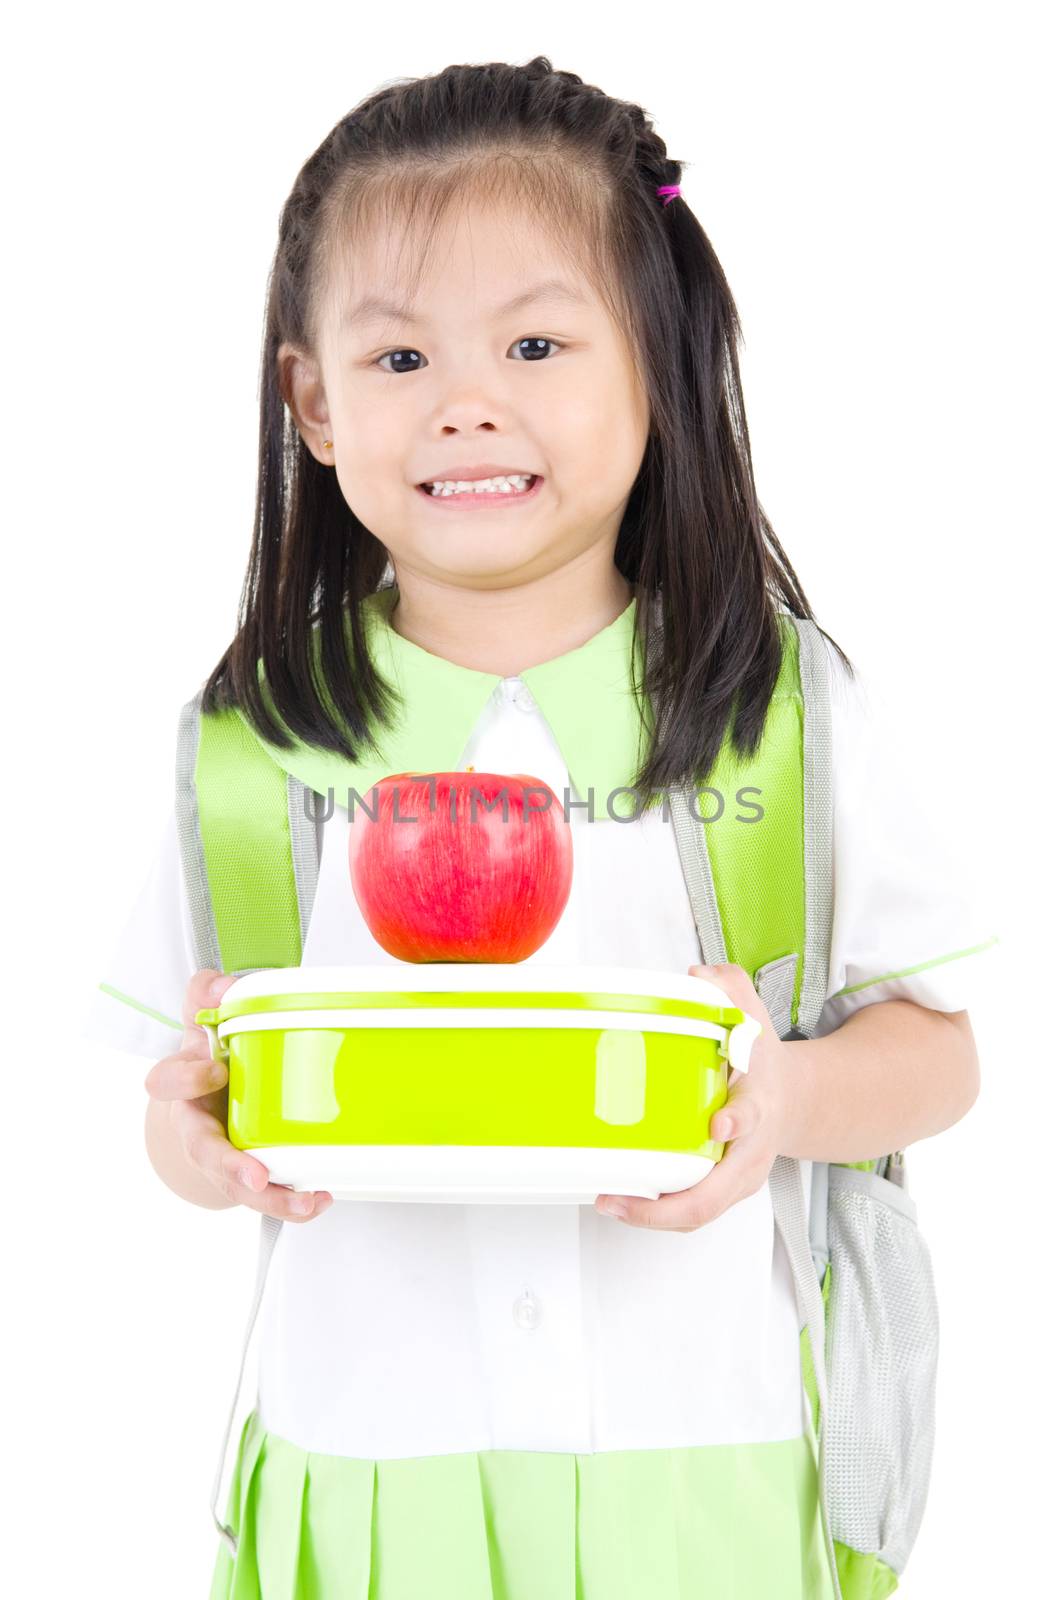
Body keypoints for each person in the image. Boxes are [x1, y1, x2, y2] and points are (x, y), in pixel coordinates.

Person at [81, 55, 1000, 1599]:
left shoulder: (779, 710)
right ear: (309, 401)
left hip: (708, 1481)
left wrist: (778, 1098)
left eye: (533, 340)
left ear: (655, 359)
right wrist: (197, 1142)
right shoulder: (253, 751)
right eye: (396, 361)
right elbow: (182, 1108)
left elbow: (939, 1056)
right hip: (370, 1481)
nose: (467, 405)